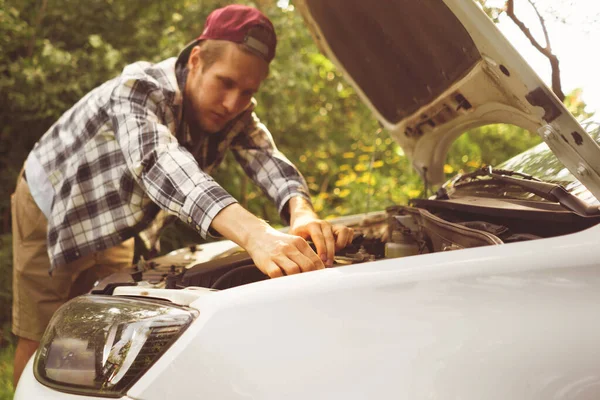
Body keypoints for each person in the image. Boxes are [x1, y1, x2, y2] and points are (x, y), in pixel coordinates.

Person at [11, 4, 354, 385]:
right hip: (53, 202)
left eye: (247, 92)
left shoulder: (236, 113)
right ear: (196, 60)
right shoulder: (138, 88)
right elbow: (159, 163)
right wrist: (256, 234)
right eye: (225, 83)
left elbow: (267, 158)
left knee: (98, 323)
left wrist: (300, 211)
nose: (233, 103)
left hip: (115, 217)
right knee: (42, 333)